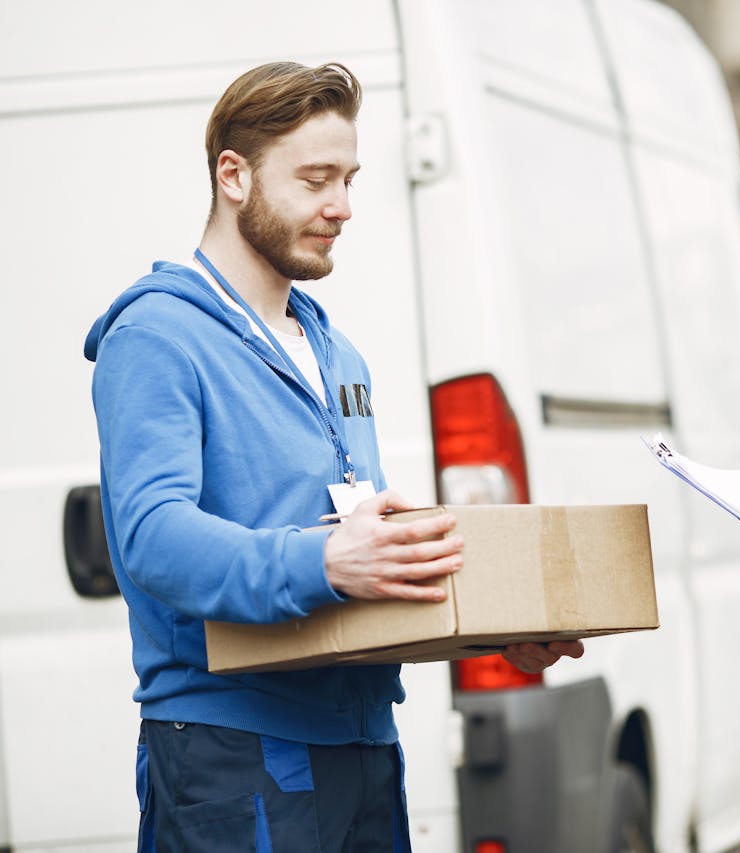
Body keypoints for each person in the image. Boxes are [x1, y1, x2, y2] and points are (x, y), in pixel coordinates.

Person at [85, 61, 583, 850]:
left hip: (366, 749)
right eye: (317, 179)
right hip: (232, 754)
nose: (343, 207)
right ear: (233, 175)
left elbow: (359, 561)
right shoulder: (155, 337)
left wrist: (490, 629)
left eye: (349, 178)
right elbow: (152, 536)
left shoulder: (337, 352)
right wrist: (324, 562)